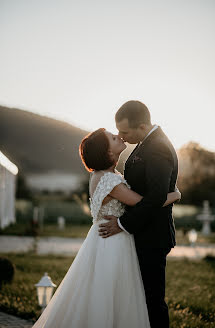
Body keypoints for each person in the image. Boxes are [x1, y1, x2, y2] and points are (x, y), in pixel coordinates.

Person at [32, 127, 180, 328]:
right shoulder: (109, 180)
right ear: (108, 152)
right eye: (112, 137)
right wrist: (174, 195)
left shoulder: (105, 175)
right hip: (113, 242)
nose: (119, 135)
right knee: (112, 296)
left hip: (103, 238)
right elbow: (143, 202)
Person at [98, 100, 179, 328]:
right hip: (142, 234)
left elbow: (155, 196)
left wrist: (122, 223)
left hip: (152, 236)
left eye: (124, 132)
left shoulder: (158, 147)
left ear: (142, 127)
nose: (121, 136)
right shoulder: (145, 143)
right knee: (139, 300)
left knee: (152, 301)